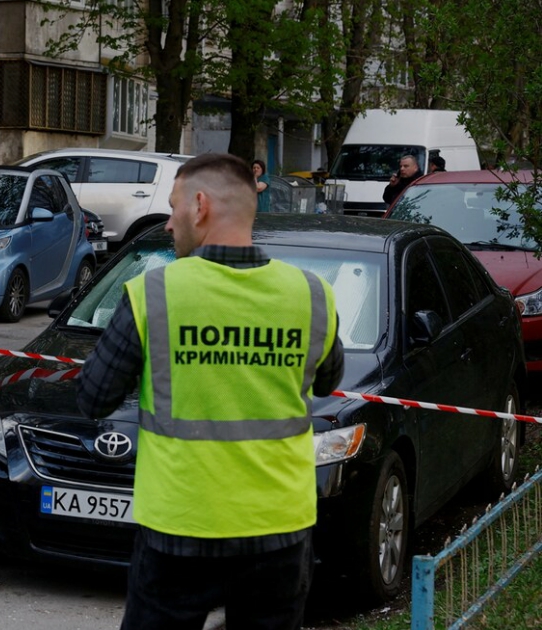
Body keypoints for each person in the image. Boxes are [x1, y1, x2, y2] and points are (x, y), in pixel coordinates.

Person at [76, 153, 343, 630]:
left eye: (174, 207)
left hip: (180, 526)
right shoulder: (312, 294)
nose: (168, 224)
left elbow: (92, 398)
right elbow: (328, 381)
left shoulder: (153, 294)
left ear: (200, 206)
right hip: (278, 526)